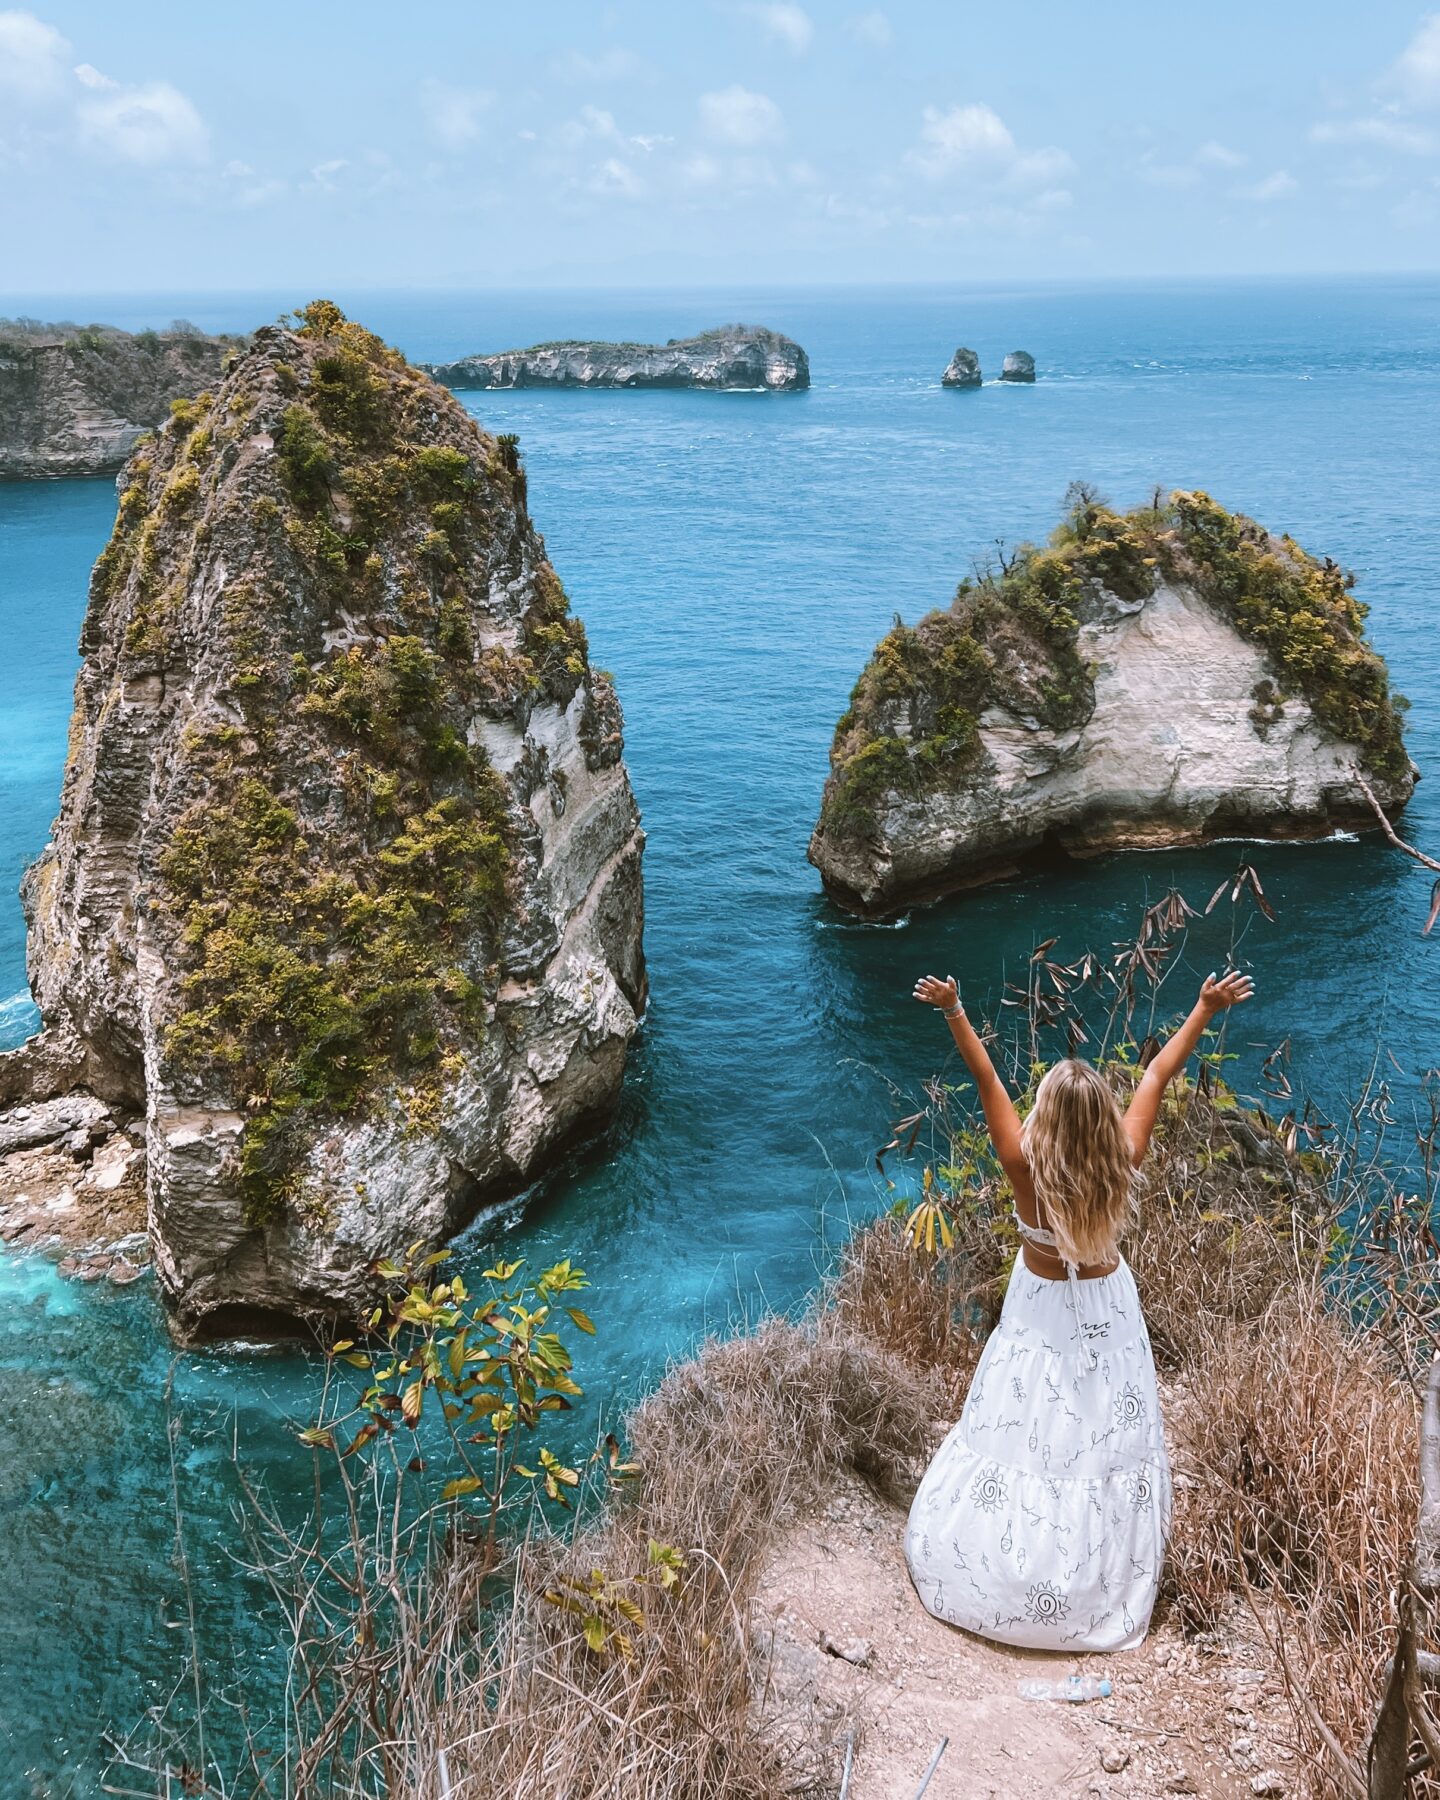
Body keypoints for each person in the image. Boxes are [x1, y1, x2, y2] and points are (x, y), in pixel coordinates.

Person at [903, 967, 1254, 1651]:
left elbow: (987, 1082)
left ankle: (1008, 1568)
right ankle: (1094, 1575)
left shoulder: (1021, 1164)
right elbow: (1156, 1075)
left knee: (1025, 1428)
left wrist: (954, 1009)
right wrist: (1204, 1007)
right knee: (1098, 1438)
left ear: (1047, 1118)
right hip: (1106, 1309)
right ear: (1099, 1121)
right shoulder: (1122, 1155)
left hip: (1039, 1306)